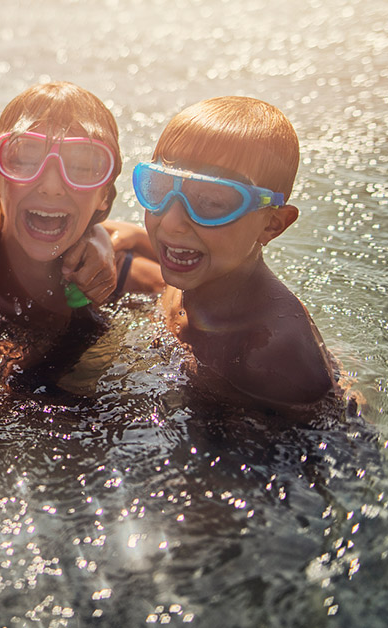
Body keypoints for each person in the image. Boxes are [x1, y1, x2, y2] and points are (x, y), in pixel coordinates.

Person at [131, 96, 340, 412]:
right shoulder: (198, 267)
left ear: (271, 225)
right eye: (159, 188)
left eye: (213, 202)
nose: (172, 222)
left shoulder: (272, 353)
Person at [0, 82, 122, 356]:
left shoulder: (124, 271)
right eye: (24, 160)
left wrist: (100, 235)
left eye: (82, 167)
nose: (51, 185)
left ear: (104, 193)